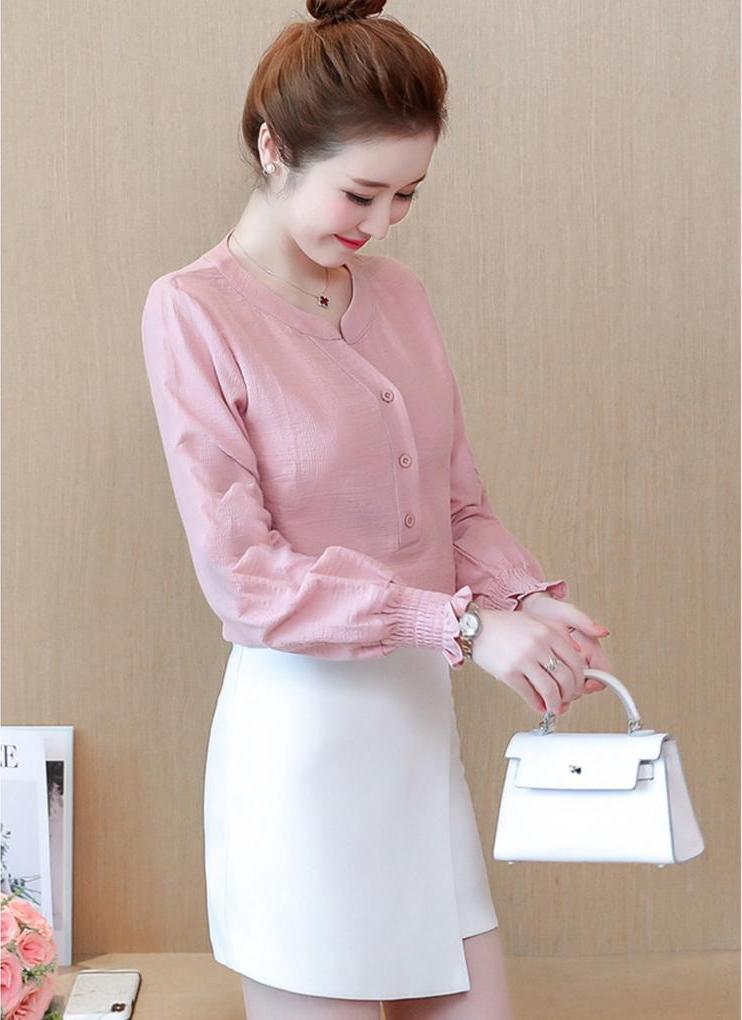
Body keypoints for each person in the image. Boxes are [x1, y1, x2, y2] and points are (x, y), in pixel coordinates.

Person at [140, 1, 614, 1017]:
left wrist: (525, 602)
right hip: (300, 753)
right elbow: (245, 582)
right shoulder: (194, 311)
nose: (382, 222)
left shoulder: (398, 297)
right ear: (275, 148)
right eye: (361, 192)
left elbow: (456, 505)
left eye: (406, 194)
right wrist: (466, 626)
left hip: (416, 730)